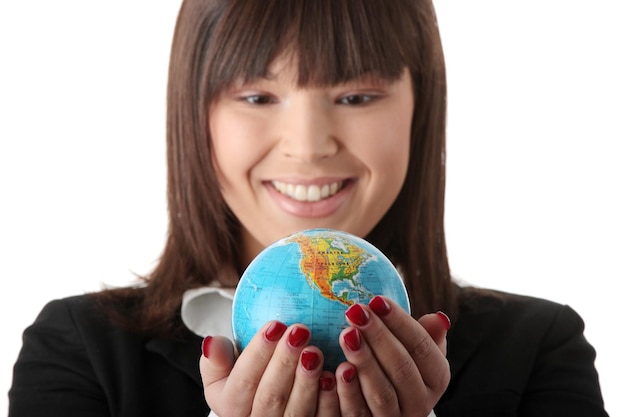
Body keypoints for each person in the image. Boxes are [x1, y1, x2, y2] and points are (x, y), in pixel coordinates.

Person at [8, 0, 608, 416]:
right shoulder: (78, 350)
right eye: (256, 95)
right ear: (196, 115)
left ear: (419, 111)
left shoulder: (538, 350)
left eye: (355, 95)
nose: (308, 145)